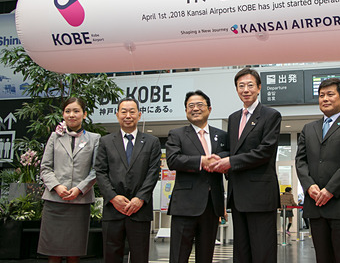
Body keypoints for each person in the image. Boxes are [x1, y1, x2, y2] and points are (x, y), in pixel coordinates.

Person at [210, 67, 282, 263]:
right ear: (236, 90)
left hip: (260, 195)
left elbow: (264, 152)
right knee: (241, 252)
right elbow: (235, 150)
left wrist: (230, 162)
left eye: (250, 85)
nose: (246, 89)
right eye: (241, 86)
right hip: (238, 193)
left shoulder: (270, 115)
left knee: (262, 252)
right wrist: (217, 158)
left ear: (259, 88)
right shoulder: (233, 118)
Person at [295, 78, 340, 263]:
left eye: (330, 94)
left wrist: (330, 190)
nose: (325, 99)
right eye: (321, 95)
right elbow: (300, 161)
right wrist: (309, 186)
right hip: (316, 205)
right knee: (323, 257)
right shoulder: (309, 128)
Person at [95, 97, 161, 263]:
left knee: (140, 256)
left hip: (140, 210)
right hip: (113, 209)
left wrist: (140, 199)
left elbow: (153, 172)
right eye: (123, 111)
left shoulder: (152, 142)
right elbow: (100, 172)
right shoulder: (105, 141)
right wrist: (113, 197)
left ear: (139, 115)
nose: (128, 115)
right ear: (117, 115)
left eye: (132, 112)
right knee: (111, 255)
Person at [166, 90, 229, 263]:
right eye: (190, 106)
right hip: (185, 205)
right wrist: (202, 161)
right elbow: (173, 160)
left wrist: (219, 160)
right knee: (179, 255)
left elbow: (229, 156)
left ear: (209, 109)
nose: (195, 109)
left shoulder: (222, 135)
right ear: (186, 110)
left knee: (206, 255)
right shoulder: (177, 134)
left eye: (200, 105)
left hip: (212, 205)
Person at [38, 97, 100, 263]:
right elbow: (45, 168)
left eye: (76, 111)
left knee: (74, 252)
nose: (72, 115)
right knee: (53, 252)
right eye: (68, 111)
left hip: (79, 202)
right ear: (63, 114)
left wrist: (79, 189)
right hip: (54, 201)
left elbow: (96, 169)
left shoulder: (94, 139)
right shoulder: (54, 137)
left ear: (84, 114)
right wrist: (57, 186)